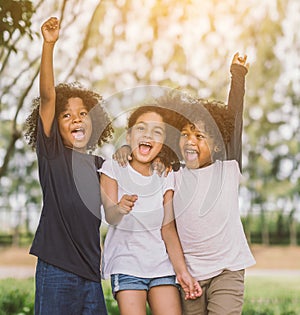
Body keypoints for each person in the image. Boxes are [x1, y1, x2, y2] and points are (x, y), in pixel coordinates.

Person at [113, 53, 256, 314]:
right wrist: (126, 148)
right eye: (185, 135)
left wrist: (238, 74)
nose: (190, 141)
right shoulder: (173, 172)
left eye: (199, 136)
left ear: (215, 144)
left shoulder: (228, 167)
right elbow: (147, 150)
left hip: (227, 270)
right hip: (189, 274)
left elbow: (235, 118)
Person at [24, 17, 113, 315]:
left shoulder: (101, 166)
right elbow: (49, 96)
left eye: (83, 113)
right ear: (55, 126)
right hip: (56, 270)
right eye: (66, 115)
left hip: (90, 275)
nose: (76, 118)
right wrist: (49, 45)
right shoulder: (52, 155)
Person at [99, 105, 202, 315]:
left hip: (162, 266)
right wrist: (120, 208)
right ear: (128, 136)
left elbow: (168, 229)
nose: (148, 135)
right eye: (141, 129)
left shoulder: (165, 174)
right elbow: (110, 216)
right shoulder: (113, 168)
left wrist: (183, 273)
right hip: (126, 264)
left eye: (157, 131)